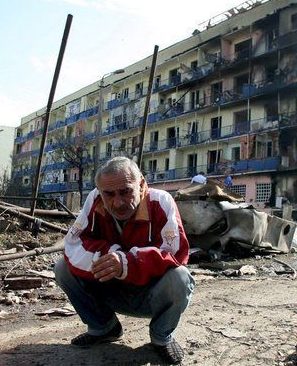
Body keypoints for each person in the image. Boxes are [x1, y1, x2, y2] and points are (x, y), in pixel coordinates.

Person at [54, 156, 194, 364]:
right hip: (112, 289)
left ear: (142, 185)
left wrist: (128, 262)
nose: (118, 203)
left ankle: (161, 337)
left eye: (126, 191)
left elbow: (175, 253)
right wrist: (110, 256)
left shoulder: (160, 201)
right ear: (101, 192)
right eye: (109, 194)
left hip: (150, 295)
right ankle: (104, 327)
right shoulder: (95, 199)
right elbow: (74, 242)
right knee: (63, 267)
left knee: (180, 278)